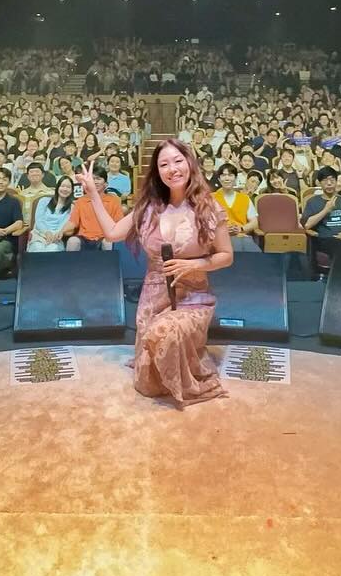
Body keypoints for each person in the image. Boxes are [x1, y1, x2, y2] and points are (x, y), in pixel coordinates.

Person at [76, 138, 231, 407]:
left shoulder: (209, 207)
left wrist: (195, 264)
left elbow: (226, 255)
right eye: (164, 164)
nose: (172, 169)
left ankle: (192, 360)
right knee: (148, 384)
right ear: (157, 172)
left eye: (178, 161)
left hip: (193, 298)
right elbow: (112, 233)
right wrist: (93, 194)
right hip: (153, 299)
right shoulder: (148, 207)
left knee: (165, 332)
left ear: (190, 163)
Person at [302, 166, 341, 254]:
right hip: (327, 240)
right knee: (340, 247)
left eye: (332, 180)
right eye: (325, 180)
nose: (329, 183)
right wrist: (326, 210)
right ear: (319, 183)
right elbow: (307, 225)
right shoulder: (313, 202)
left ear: (336, 182)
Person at [65, 166, 125, 251]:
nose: (95, 182)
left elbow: (119, 224)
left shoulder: (114, 201)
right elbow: (73, 222)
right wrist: (60, 232)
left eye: (98, 179)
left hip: (104, 237)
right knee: (72, 241)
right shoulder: (81, 201)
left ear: (106, 184)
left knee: (108, 243)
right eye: (92, 179)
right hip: (84, 237)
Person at [213, 164, 261, 252]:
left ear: (235, 179)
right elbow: (204, 222)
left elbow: (254, 222)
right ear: (219, 179)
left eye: (230, 175)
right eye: (223, 175)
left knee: (255, 253)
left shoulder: (245, 198)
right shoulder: (211, 198)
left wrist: (241, 229)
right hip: (218, 237)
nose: (227, 178)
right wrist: (222, 230)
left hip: (241, 236)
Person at [26, 177, 76, 252]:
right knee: (37, 248)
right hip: (40, 234)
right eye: (62, 186)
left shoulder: (72, 207)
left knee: (52, 249)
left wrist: (55, 235)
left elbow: (64, 224)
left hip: (56, 238)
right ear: (57, 187)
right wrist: (46, 232)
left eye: (68, 187)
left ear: (72, 190)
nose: (65, 189)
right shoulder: (44, 201)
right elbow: (39, 220)